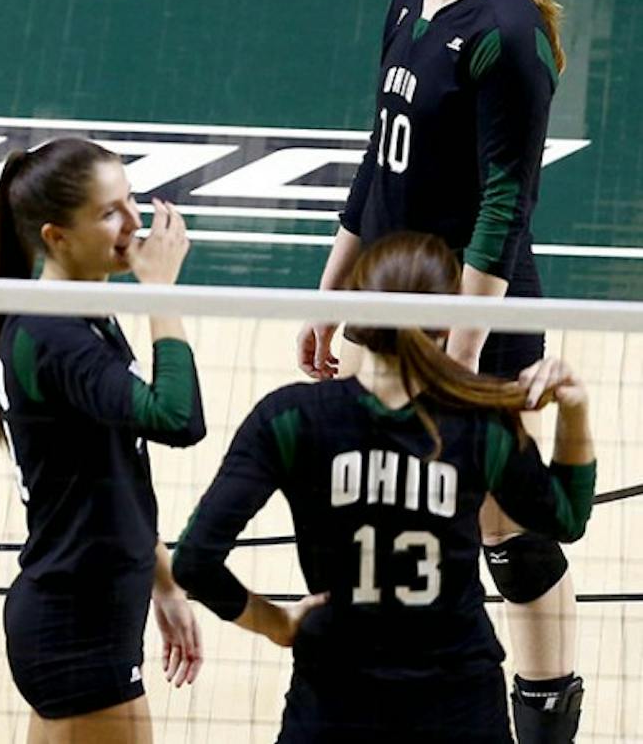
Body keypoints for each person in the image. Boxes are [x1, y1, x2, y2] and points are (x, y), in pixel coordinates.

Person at [296, 0, 582, 740]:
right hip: (393, 312)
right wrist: (330, 295)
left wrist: (457, 352)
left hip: (476, 325)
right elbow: (375, 164)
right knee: (415, 508)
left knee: (501, 523)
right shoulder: (406, 6)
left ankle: (543, 710)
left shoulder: (507, 34)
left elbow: (507, 201)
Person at [178, 232, 595, 743]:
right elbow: (567, 519)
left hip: (334, 696)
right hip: (457, 697)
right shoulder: (481, 426)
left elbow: (193, 562)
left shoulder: (289, 418)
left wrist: (278, 623)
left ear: (357, 314)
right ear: (448, 323)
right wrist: (575, 412)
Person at [0, 138, 206, 743]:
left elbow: (114, 474)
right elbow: (178, 418)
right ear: (56, 237)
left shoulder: (78, 316)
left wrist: (164, 583)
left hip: (84, 614)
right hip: (78, 628)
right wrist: (161, 293)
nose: (135, 224)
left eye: (130, 200)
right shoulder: (57, 340)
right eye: (110, 212)